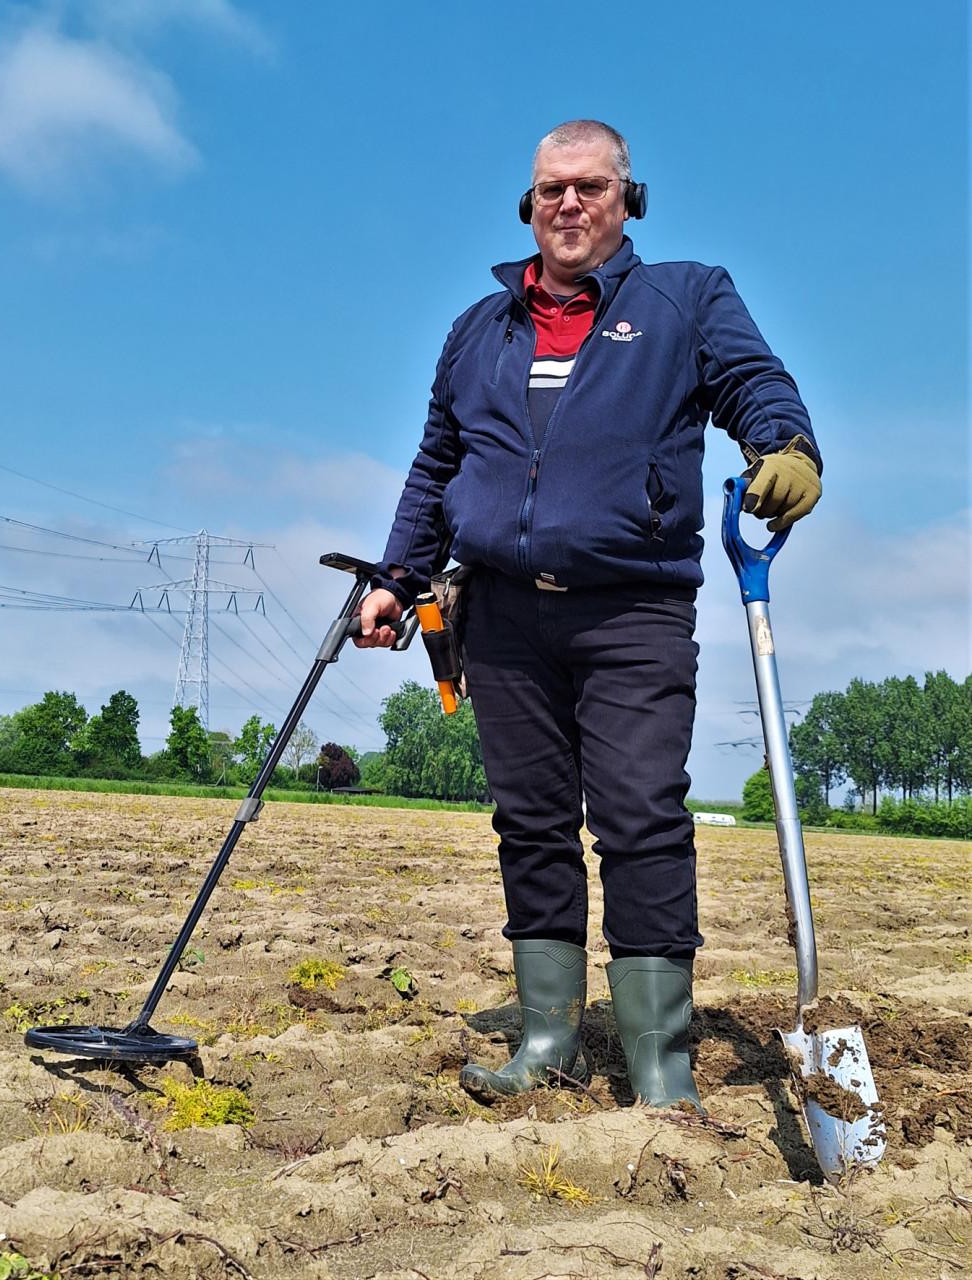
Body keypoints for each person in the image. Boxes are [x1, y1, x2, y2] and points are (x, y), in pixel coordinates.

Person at [354, 120, 821, 1109]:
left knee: (639, 816)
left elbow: (751, 381)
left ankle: (659, 1064)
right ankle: (545, 1036)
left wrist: (785, 445)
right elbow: (439, 465)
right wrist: (397, 573)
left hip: (632, 610)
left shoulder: (686, 297)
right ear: (527, 204)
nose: (568, 204)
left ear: (626, 199)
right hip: (502, 618)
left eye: (590, 187)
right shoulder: (478, 328)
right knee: (528, 822)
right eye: (550, 189)